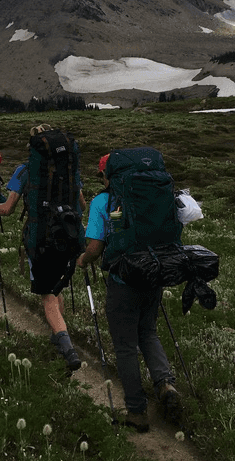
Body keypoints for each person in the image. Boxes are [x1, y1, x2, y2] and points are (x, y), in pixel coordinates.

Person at [76, 153, 181, 432]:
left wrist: (83, 261)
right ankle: (165, 384)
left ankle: (136, 411)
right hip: (155, 272)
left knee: (125, 346)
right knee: (148, 332)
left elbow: (95, 248)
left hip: (123, 280)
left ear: (107, 176)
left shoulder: (102, 202)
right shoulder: (153, 192)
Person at [0, 124, 87, 372]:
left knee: (48, 297)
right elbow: (82, 204)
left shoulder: (25, 171)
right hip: (70, 237)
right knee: (58, 285)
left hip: (41, 240)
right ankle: (58, 333)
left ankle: (67, 349)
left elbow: (7, 209)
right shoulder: (71, 170)